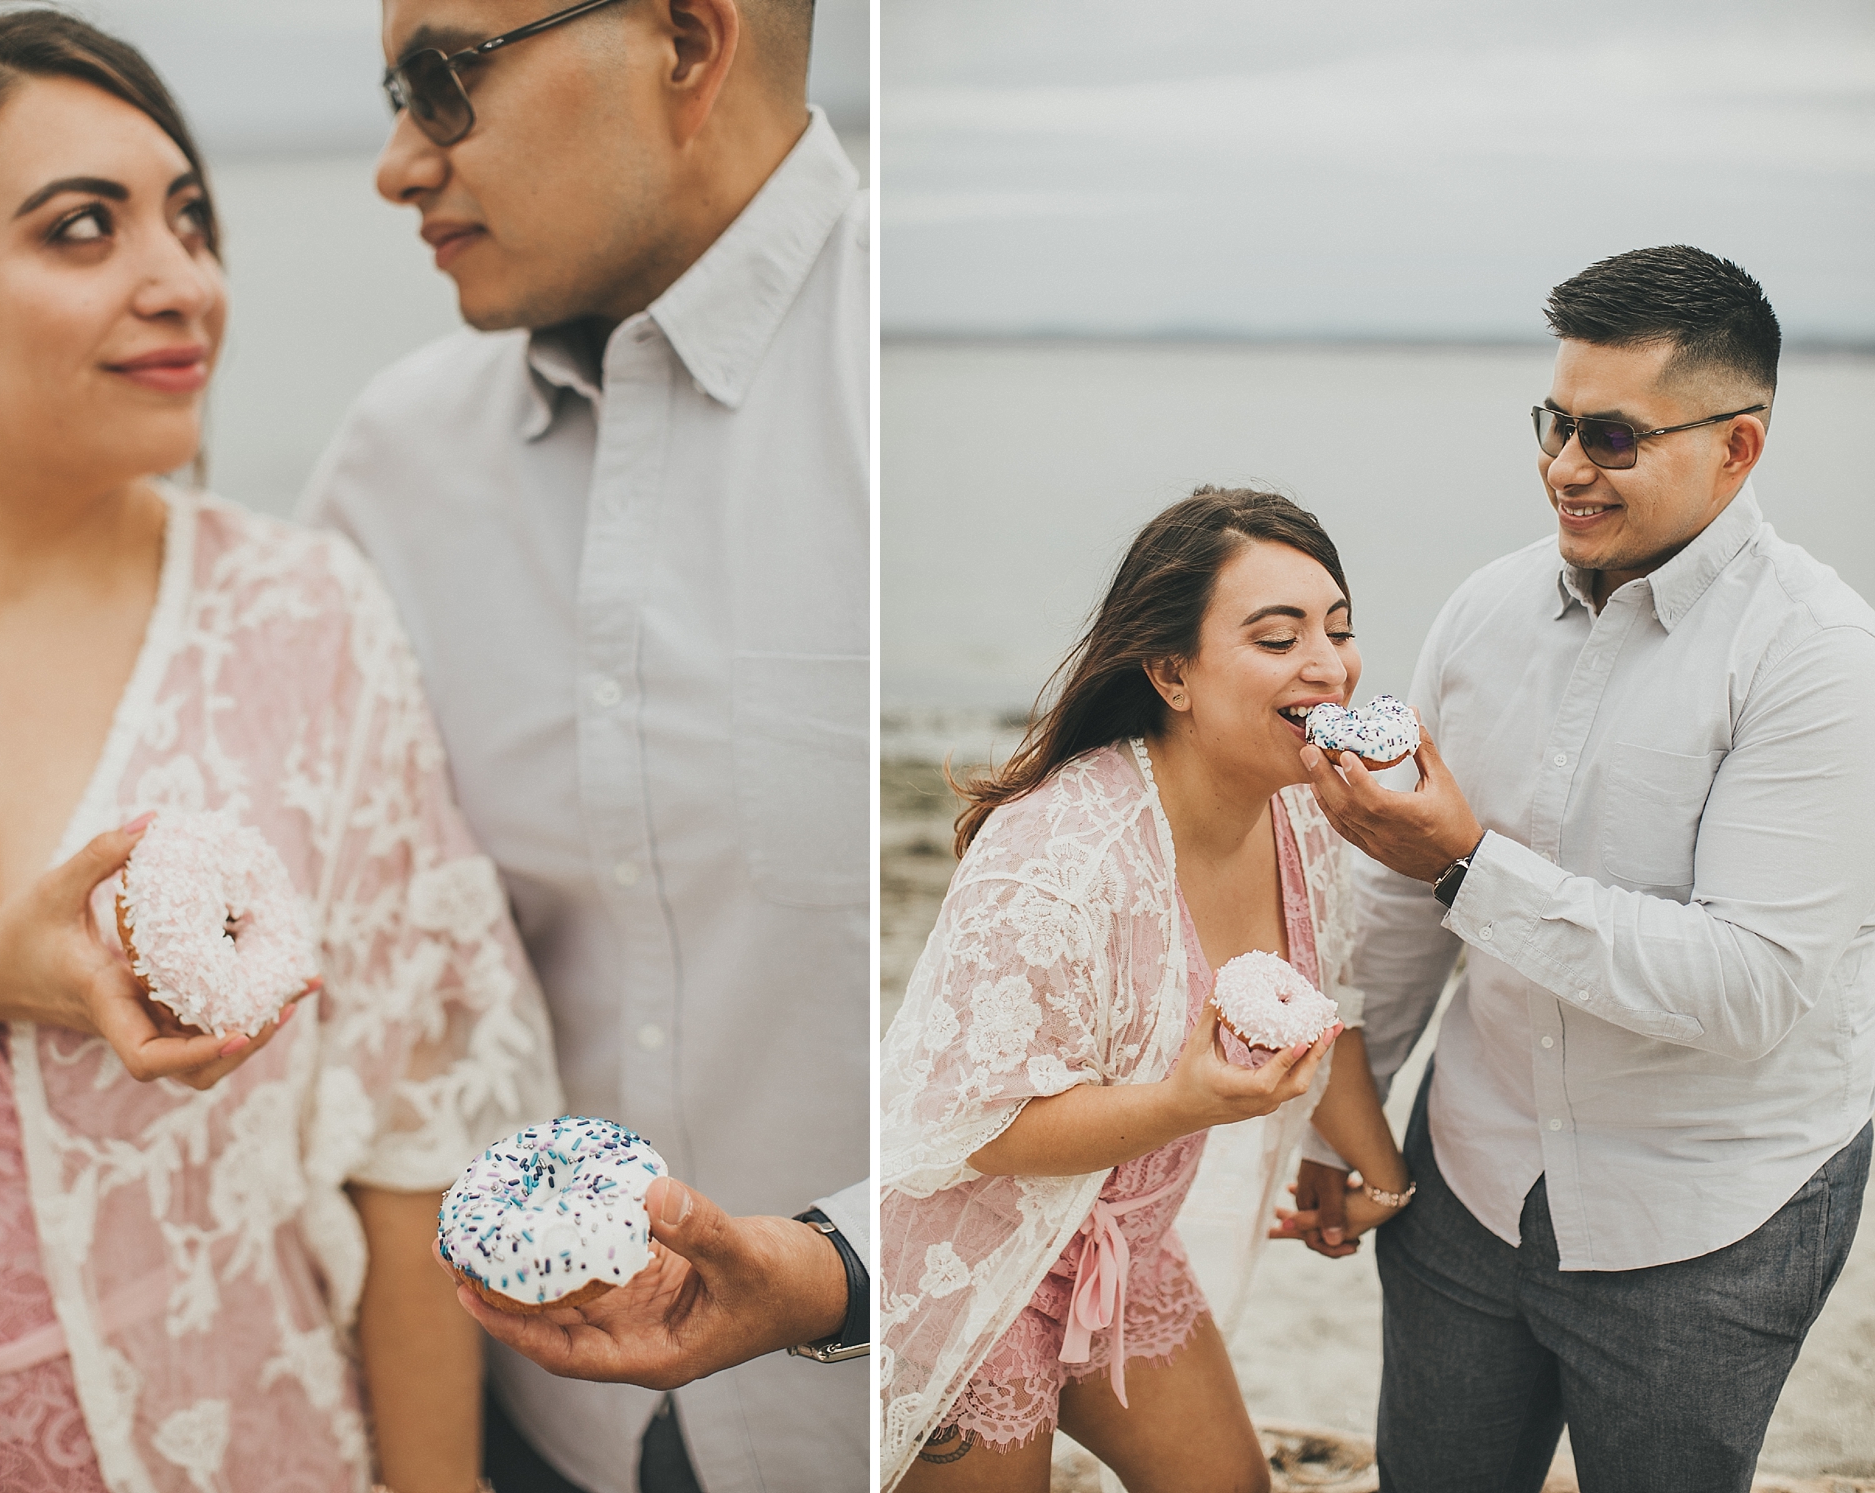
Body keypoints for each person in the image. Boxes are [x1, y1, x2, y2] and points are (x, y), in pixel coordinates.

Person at [0, 12, 559, 1491]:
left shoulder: (305, 617)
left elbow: (412, 1138)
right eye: (82, 230)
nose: (182, 278)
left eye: (191, 219)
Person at [299, 0, 868, 1489]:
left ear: (685, 44)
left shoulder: (914, 416)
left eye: (440, 80)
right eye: (391, 93)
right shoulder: (387, 467)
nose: (395, 165)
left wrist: (835, 1274)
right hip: (526, 1422)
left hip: (881, 1416)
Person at [1281, 246, 1875, 1493]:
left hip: (1711, 1209)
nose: (1561, 464)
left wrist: (1464, 861)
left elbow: (1749, 986)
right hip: (1468, 1169)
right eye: (1552, 420)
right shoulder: (1481, 610)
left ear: (1737, 447)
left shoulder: (1818, 660)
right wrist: (1347, 1115)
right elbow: (1394, 898)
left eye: (1608, 434)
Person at [880, 489, 1418, 1493]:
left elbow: (1317, 1020)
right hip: (968, 1259)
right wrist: (1180, 1105)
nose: (1327, 664)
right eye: (1276, 636)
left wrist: (1376, 1175)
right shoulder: (1054, 860)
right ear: (1170, 671)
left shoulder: (1302, 817)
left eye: (1338, 630)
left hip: (1117, 1244)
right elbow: (978, 1128)